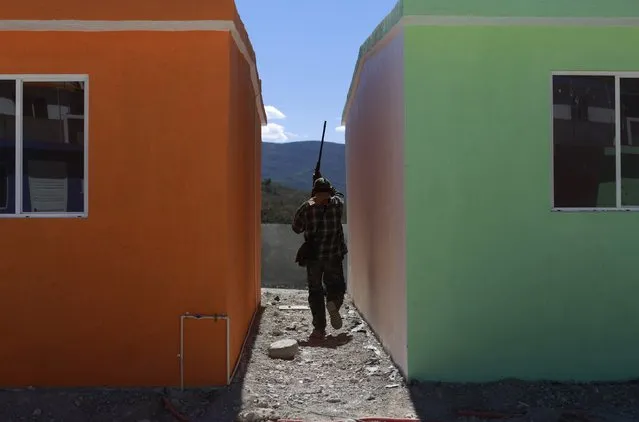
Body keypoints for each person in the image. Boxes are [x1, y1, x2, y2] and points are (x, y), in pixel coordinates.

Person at [292, 174, 347, 340]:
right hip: (333, 256)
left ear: (314, 192)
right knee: (337, 287)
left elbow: (296, 228)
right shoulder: (336, 204)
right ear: (329, 191)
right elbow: (340, 195)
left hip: (314, 259)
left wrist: (311, 200)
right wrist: (328, 187)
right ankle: (333, 304)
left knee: (315, 292)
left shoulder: (306, 207)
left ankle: (319, 329)